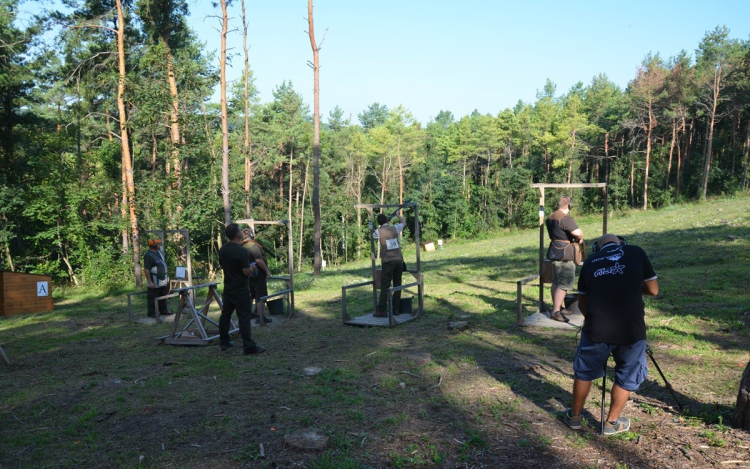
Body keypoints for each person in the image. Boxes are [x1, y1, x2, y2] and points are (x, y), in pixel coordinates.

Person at [563, 234, 659, 435]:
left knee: (584, 372)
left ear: (598, 248)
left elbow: (582, 303)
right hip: (631, 329)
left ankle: (574, 417)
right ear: (621, 243)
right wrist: (629, 286)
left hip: (597, 328)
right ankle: (611, 423)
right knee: (627, 374)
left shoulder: (589, 262)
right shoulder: (636, 252)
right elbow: (653, 289)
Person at [218, 223, 265, 355]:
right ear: (237, 234)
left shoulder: (223, 250)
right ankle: (249, 347)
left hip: (228, 288)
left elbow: (223, 266)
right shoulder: (242, 251)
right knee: (244, 318)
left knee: (225, 316)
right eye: (239, 230)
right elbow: (246, 271)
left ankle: (224, 343)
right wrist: (253, 267)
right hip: (241, 290)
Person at [545, 195, 584, 322]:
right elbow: (578, 233)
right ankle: (556, 311)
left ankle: (558, 307)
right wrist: (581, 236)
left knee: (556, 282)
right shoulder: (565, 218)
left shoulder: (551, 216)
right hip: (564, 255)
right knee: (564, 283)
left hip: (555, 252)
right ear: (569, 205)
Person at [373, 211, 406, 317]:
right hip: (399, 261)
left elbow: (372, 234)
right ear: (387, 220)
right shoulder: (395, 228)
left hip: (388, 262)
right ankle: (395, 310)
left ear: (379, 223)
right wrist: (397, 215)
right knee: (397, 285)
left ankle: (381, 310)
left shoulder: (378, 231)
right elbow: (404, 223)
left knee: (385, 286)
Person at [241, 228, 273, 324]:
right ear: (251, 236)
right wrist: (267, 271)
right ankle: (260, 317)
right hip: (257, 273)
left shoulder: (241, 246)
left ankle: (250, 314)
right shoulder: (253, 246)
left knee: (251, 295)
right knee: (261, 295)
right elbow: (259, 260)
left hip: (248, 274)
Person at [144, 238, 171, 318]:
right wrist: (150, 282)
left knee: (162, 294)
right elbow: (146, 269)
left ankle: (163, 309)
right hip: (154, 279)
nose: (160, 245)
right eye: (158, 244)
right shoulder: (148, 255)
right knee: (152, 296)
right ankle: (151, 312)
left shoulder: (159, 252)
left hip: (162, 278)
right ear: (154, 245)